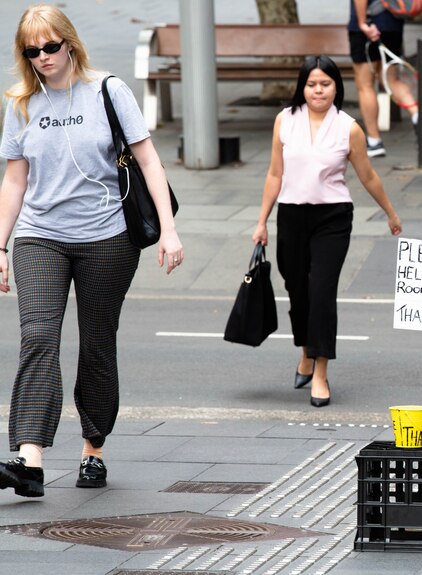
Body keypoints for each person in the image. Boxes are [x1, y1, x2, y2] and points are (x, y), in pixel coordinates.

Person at [0, 4, 183, 498]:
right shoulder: (20, 104)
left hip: (107, 237)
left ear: (70, 43)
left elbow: (148, 159)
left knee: (97, 342)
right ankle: (29, 460)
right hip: (40, 236)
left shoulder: (108, 90)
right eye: (31, 50)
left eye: (50, 46)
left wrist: (169, 229)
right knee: (38, 336)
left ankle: (93, 448)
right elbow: (15, 179)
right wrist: (0, 244)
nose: (42, 57)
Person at [252, 55, 401, 408]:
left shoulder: (349, 127)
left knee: (321, 292)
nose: (318, 90)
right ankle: (305, 350)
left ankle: (320, 371)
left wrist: (391, 213)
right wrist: (261, 222)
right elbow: (275, 174)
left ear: (337, 86)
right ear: (302, 87)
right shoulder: (284, 121)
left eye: (326, 84)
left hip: (332, 218)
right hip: (290, 216)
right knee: (297, 290)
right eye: (312, 84)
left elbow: (368, 176)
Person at [348, 0, 420, 157]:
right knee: (390, 79)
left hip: (368, 25)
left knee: (365, 84)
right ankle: (417, 114)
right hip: (393, 23)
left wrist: (362, 23)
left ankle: (374, 141)